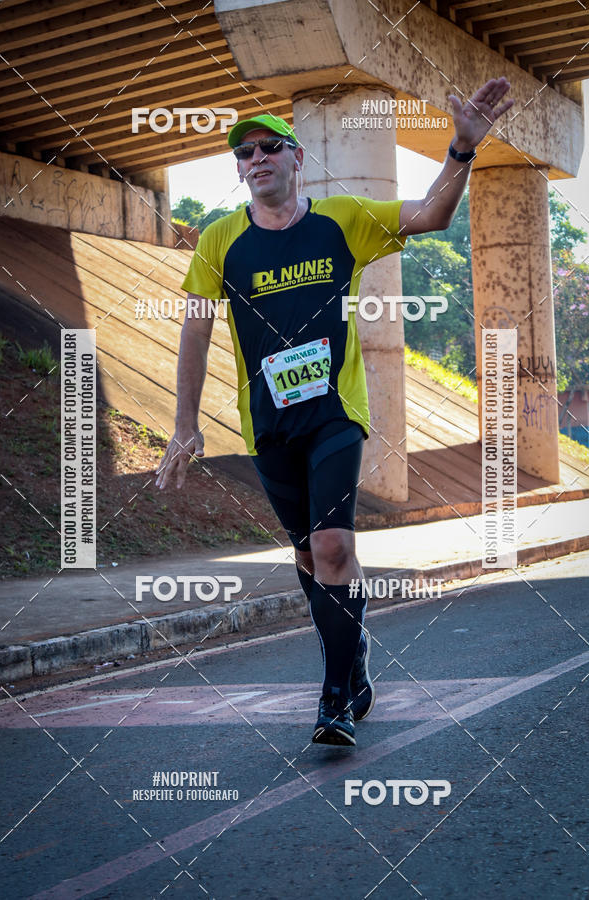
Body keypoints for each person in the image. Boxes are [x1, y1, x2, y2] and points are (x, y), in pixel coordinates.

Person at [156, 78, 514, 746]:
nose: (256, 159)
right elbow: (195, 329)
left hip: (334, 413)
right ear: (240, 170)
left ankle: (333, 701)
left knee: (331, 546)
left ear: (297, 157)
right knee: (305, 556)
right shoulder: (219, 241)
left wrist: (461, 150)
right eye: (244, 153)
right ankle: (355, 656)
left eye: (269, 147)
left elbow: (432, 214)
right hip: (267, 422)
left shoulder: (342, 219)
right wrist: (184, 424)